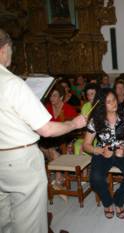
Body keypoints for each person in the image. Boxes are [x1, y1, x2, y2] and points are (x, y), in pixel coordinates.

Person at [0, 28, 86, 233]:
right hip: (18, 159)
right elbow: (46, 129)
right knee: (29, 221)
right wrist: (75, 123)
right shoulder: (12, 83)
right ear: (3, 49)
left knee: (3, 218)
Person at [83, 88, 124, 220]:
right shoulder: (95, 121)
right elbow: (86, 145)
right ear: (102, 105)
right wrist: (100, 151)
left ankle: (118, 201)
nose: (114, 103)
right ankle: (107, 202)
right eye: (109, 102)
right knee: (95, 178)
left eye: (114, 100)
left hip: (123, 151)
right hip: (103, 152)